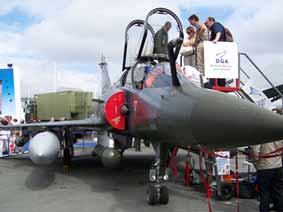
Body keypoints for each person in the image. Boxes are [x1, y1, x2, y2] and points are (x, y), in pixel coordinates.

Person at [251, 141, 283, 212]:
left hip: (264, 166)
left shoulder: (261, 133)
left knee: (264, 193)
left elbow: (255, 151)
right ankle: (279, 208)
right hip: (278, 165)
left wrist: (255, 162)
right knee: (278, 191)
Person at [205, 17, 226, 88]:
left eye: (206, 23)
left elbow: (218, 32)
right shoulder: (214, 27)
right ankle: (218, 84)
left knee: (216, 71)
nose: (206, 25)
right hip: (218, 51)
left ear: (211, 21)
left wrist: (215, 40)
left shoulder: (215, 25)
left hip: (218, 50)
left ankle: (216, 84)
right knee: (219, 72)